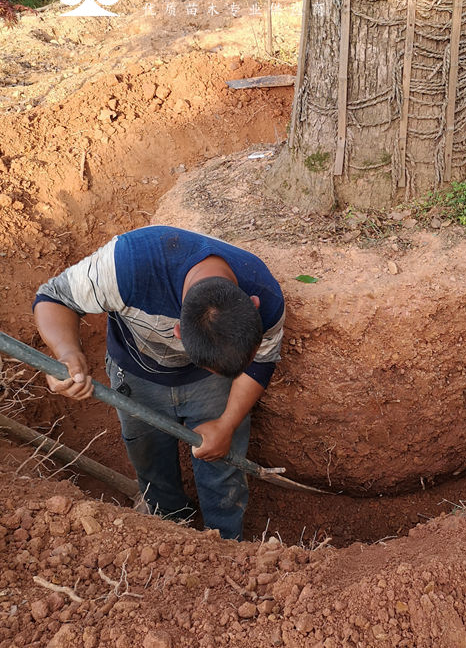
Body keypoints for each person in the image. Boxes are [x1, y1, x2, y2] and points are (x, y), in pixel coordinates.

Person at [33, 225, 285, 541]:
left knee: (223, 468)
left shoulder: (266, 294)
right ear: (177, 332)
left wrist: (226, 423)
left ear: (254, 305)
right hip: (137, 373)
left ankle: (224, 544)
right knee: (150, 460)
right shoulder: (127, 265)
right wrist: (68, 353)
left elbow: (260, 362)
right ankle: (169, 530)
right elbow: (53, 296)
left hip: (208, 383)